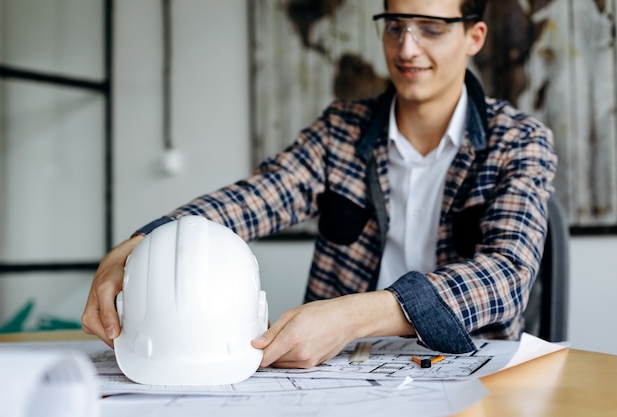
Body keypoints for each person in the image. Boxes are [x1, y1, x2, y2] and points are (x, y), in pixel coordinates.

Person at [82, 0, 557, 369]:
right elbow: (253, 200)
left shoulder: (519, 140)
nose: (407, 48)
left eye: (430, 28)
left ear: (474, 36)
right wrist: (138, 245)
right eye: (394, 26)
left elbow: (508, 275)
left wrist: (351, 316)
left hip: (473, 367)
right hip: (339, 374)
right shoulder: (340, 132)